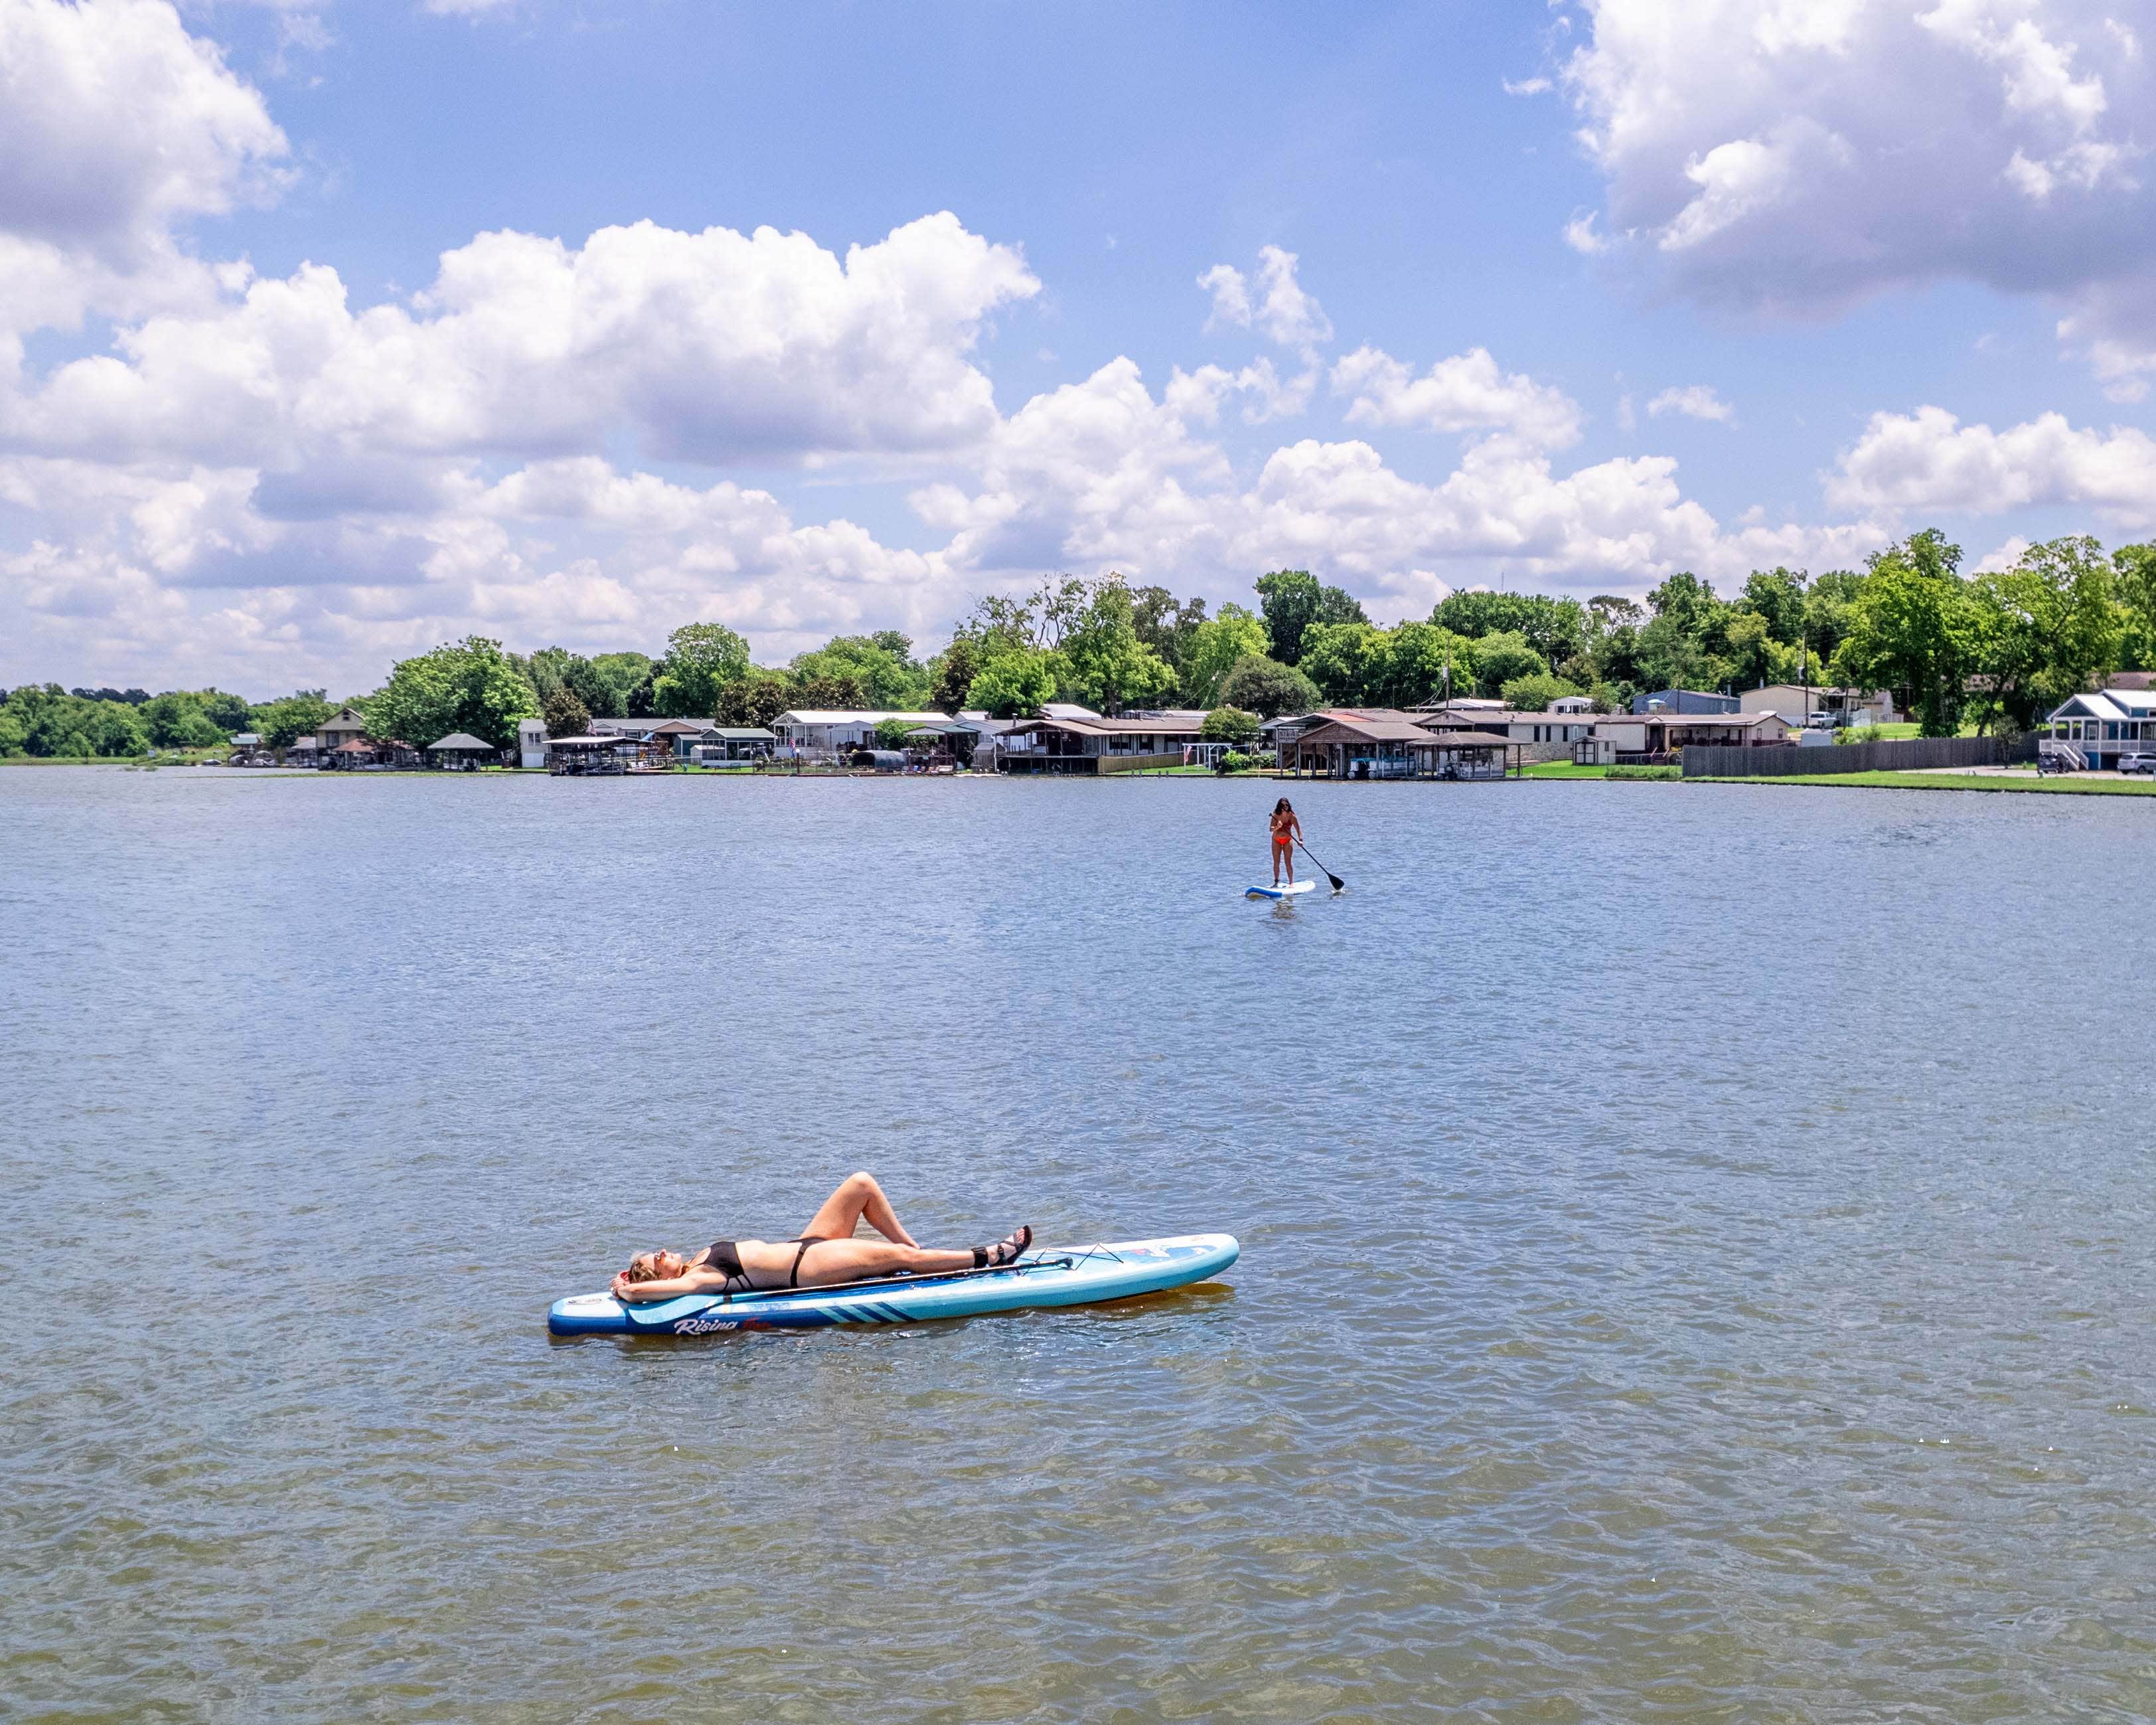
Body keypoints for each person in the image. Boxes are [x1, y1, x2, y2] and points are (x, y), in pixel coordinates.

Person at [611, 1171, 1032, 1303]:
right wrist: (630, 1291)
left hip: (806, 1244)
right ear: (661, 1279)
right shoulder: (698, 1281)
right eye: (656, 1260)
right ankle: (988, 1258)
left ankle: (914, 1251)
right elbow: (650, 1294)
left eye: (655, 1251)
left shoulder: (697, 1259)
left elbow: (646, 1284)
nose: (662, 1252)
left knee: (861, 1184)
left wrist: (628, 1278)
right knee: (901, 1259)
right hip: (808, 1269)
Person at [1269, 796, 1303, 886]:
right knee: (1277, 861)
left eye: (1287, 805)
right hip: (1276, 840)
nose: (1285, 807)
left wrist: (1300, 840)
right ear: (1280, 806)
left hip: (1288, 840)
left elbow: (1298, 829)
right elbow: (1271, 829)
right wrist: (1278, 827)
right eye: (1283, 805)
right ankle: (1276, 882)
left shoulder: (1292, 816)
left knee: (1288, 861)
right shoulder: (1275, 814)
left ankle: (1291, 883)